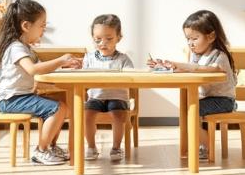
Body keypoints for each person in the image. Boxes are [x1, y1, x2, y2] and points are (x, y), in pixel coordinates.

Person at [0, 0, 80, 165]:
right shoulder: (16, 47)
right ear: (26, 26)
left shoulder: (26, 48)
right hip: (11, 100)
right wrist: (61, 60)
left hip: (20, 97)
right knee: (57, 108)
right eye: (42, 25)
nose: (44, 30)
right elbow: (32, 70)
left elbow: (40, 70)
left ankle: (50, 147)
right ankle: (41, 150)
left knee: (63, 107)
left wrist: (64, 65)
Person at [148, 9, 236, 160]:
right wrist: (165, 66)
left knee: (192, 112)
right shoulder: (198, 56)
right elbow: (191, 71)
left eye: (194, 38)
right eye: (188, 39)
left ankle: (208, 146)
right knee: (190, 109)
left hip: (224, 101)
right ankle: (204, 146)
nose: (190, 43)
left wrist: (179, 64)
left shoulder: (219, 56)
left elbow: (202, 70)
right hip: (210, 99)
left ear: (211, 36)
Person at [82, 14, 135, 162]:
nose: (102, 43)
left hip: (117, 97)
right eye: (97, 39)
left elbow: (131, 77)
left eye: (109, 39)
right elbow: (83, 76)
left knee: (118, 115)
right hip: (96, 97)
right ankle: (91, 147)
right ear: (92, 37)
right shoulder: (89, 57)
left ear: (119, 37)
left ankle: (116, 147)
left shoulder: (123, 59)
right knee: (87, 115)